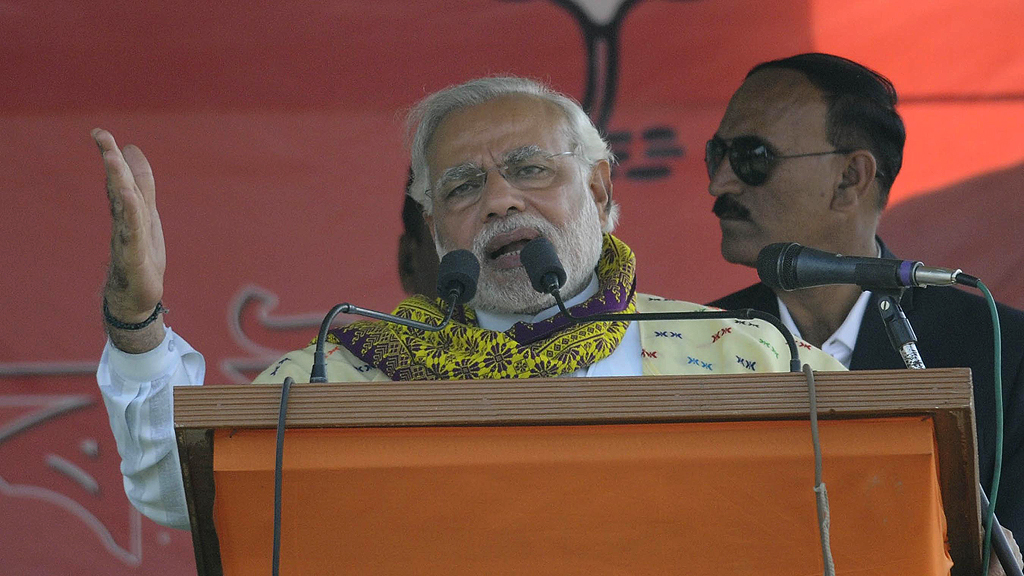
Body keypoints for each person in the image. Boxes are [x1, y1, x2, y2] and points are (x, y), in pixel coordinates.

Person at [94, 76, 843, 531]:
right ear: (435, 228)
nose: (499, 202)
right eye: (462, 187)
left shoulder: (740, 354)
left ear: (601, 190)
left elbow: (871, 481)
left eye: (528, 169)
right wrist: (138, 324)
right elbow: (181, 491)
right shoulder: (345, 378)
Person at [705, 53, 1024, 541]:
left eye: (752, 158)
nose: (718, 182)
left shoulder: (1003, 351)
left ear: (850, 179)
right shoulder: (690, 342)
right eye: (717, 154)